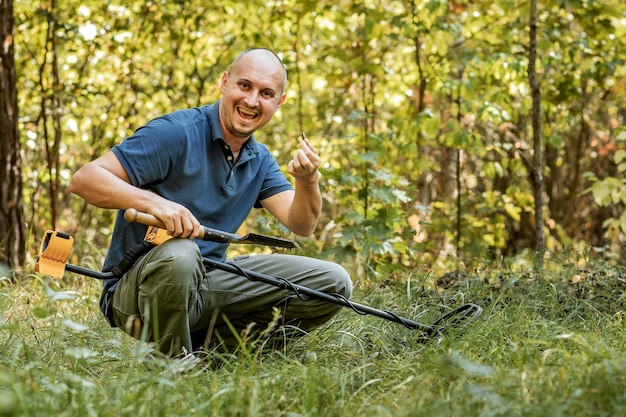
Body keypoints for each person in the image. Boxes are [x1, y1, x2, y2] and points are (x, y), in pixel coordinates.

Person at [68, 48, 352, 358]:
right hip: (135, 293)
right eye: (245, 86)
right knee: (182, 254)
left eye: (266, 93)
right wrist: (154, 203)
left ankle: (212, 355)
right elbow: (84, 180)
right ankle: (171, 364)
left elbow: (302, 224)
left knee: (333, 282)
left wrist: (308, 180)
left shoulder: (259, 160)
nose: (252, 100)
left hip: (205, 280)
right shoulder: (176, 133)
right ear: (225, 82)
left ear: (279, 102)